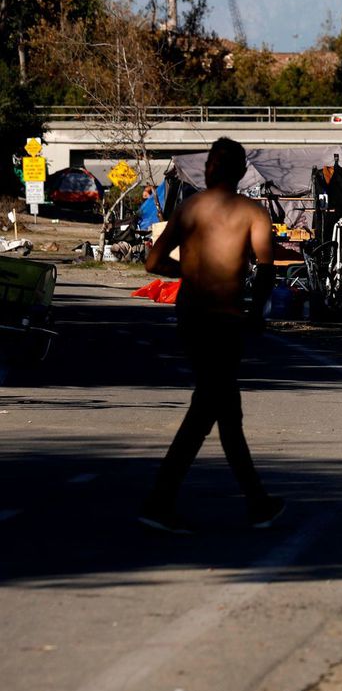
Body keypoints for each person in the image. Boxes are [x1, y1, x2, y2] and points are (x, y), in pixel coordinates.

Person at [139, 137, 283, 534]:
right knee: (209, 410)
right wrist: (256, 312)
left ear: (209, 170)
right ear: (241, 172)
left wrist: (189, 274)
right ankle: (160, 501)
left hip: (192, 316)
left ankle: (258, 503)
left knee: (222, 409)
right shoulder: (252, 213)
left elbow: (153, 262)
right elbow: (268, 269)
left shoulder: (188, 209)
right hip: (224, 319)